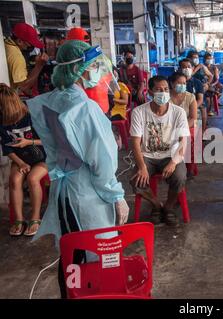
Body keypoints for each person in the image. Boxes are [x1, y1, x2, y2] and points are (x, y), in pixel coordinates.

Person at [26, 40, 128, 297]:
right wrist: (116, 196)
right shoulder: (85, 108)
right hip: (88, 194)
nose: (99, 72)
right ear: (79, 69)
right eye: (94, 66)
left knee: (70, 253)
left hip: (64, 189)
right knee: (95, 255)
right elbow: (101, 161)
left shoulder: (52, 100)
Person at [130, 75, 190, 227]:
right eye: (158, 90)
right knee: (136, 179)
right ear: (150, 92)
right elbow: (135, 142)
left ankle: (169, 208)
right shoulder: (139, 112)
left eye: (165, 89)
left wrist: (173, 162)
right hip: (148, 156)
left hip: (170, 155)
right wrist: (142, 166)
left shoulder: (178, 112)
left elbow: (183, 141)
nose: (163, 93)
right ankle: (157, 206)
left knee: (180, 176)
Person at [0, 84, 48, 237]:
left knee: (33, 179)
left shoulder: (31, 114)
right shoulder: (2, 120)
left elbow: (50, 140)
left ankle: (35, 217)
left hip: (43, 157)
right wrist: (21, 163)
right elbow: (7, 148)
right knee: (14, 179)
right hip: (20, 158)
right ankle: (19, 220)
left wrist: (29, 142)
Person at [4, 23, 49, 96]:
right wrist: (39, 66)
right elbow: (23, 87)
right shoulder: (16, 56)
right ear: (19, 41)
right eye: (31, 45)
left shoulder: (6, 45)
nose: (32, 48)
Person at [179, 58, 206, 132]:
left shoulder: (197, 82)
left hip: (193, 106)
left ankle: (199, 134)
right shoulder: (176, 82)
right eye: (184, 67)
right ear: (179, 69)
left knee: (200, 112)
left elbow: (200, 99)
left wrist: (190, 109)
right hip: (179, 107)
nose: (186, 69)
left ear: (193, 68)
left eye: (188, 67)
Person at [204, 52, 223, 116]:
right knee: (209, 94)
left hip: (213, 84)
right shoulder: (202, 67)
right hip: (205, 84)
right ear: (204, 59)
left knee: (219, 87)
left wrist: (213, 84)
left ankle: (215, 98)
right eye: (207, 59)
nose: (209, 60)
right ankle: (215, 94)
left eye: (210, 59)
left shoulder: (214, 67)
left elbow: (217, 79)